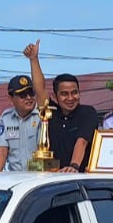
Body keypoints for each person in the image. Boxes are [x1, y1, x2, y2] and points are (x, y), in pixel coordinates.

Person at [23, 41, 99, 172]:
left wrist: (73, 166)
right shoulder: (50, 112)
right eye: (64, 94)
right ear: (55, 95)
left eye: (74, 93)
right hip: (53, 179)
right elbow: (40, 89)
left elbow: (82, 142)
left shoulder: (88, 113)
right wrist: (33, 59)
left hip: (78, 179)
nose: (70, 98)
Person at [0, 75, 44, 172]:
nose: (29, 98)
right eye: (23, 95)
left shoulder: (42, 115)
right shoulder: (6, 118)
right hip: (16, 178)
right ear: (11, 98)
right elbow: (1, 151)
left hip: (39, 176)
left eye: (31, 93)